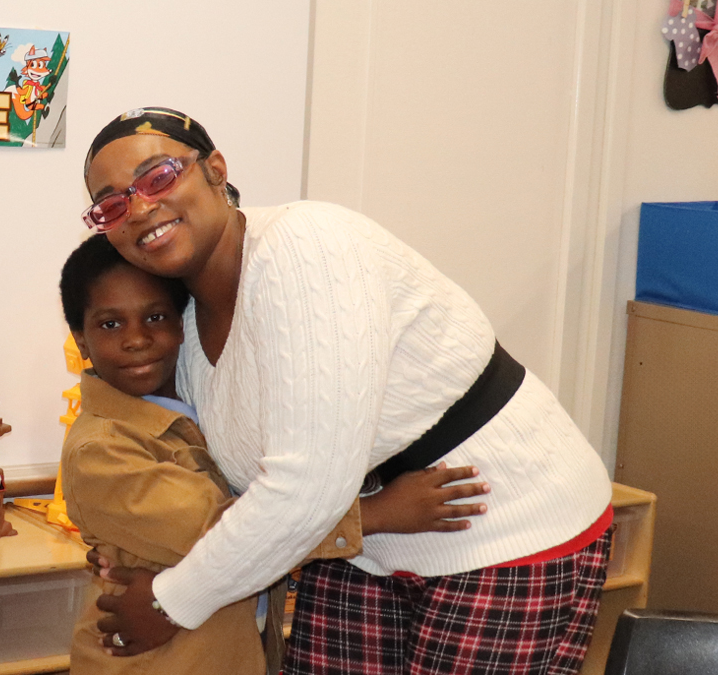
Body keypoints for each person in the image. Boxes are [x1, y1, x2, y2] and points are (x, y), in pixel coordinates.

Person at [78, 107, 615, 675]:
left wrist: (172, 600)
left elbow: (305, 486)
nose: (139, 207)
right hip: (352, 544)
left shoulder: (305, 246)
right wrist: (134, 549)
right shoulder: (176, 322)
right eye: (112, 204)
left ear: (215, 169)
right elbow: (216, 475)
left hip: (495, 526)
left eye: (158, 177)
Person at [58, 233, 490, 675]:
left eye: (155, 317)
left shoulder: (199, 406)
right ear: (81, 340)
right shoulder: (101, 450)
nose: (137, 340)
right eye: (111, 324)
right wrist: (378, 513)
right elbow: (226, 534)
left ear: (181, 323)